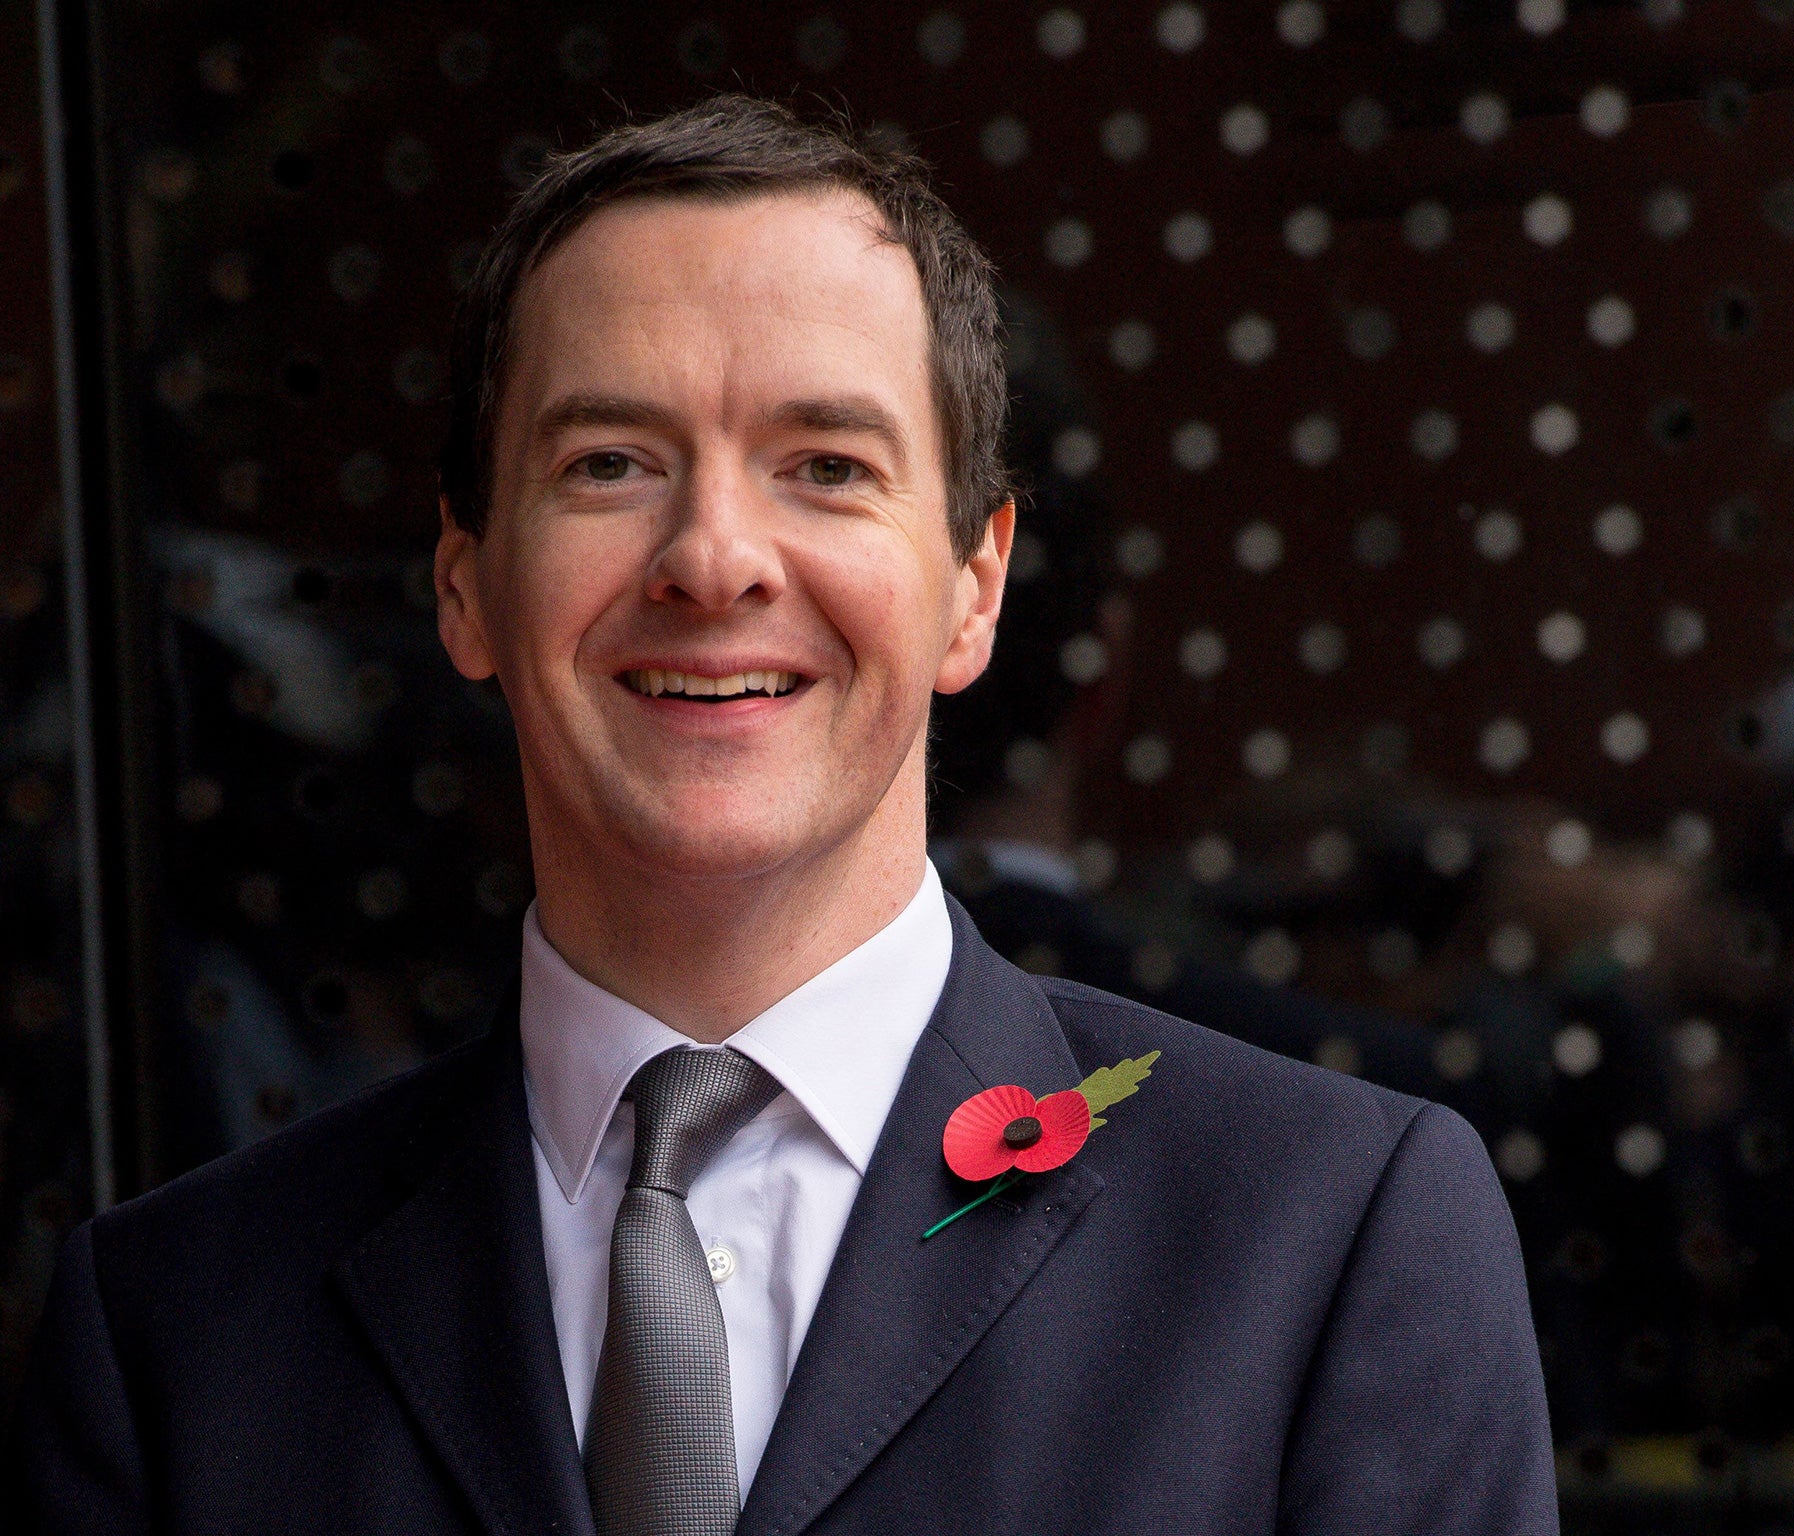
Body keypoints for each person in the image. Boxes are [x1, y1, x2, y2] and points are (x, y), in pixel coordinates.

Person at [5, 97, 1556, 1534]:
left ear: (975, 586)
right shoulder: (175, 1334)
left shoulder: (1326, 1240)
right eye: (610, 462)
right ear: (465, 585)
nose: (716, 558)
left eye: (826, 465)